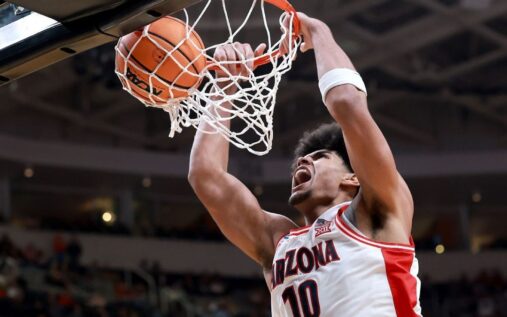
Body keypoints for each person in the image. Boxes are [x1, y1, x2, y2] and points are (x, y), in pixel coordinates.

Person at [188, 11, 422, 317]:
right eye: (303, 158)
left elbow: (347, 104)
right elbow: (205, 176)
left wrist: (318, 31)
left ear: (353, 178)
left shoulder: (378, 212)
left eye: (320, 156)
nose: (304, 160)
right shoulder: (278, 242)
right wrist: (224, 85)